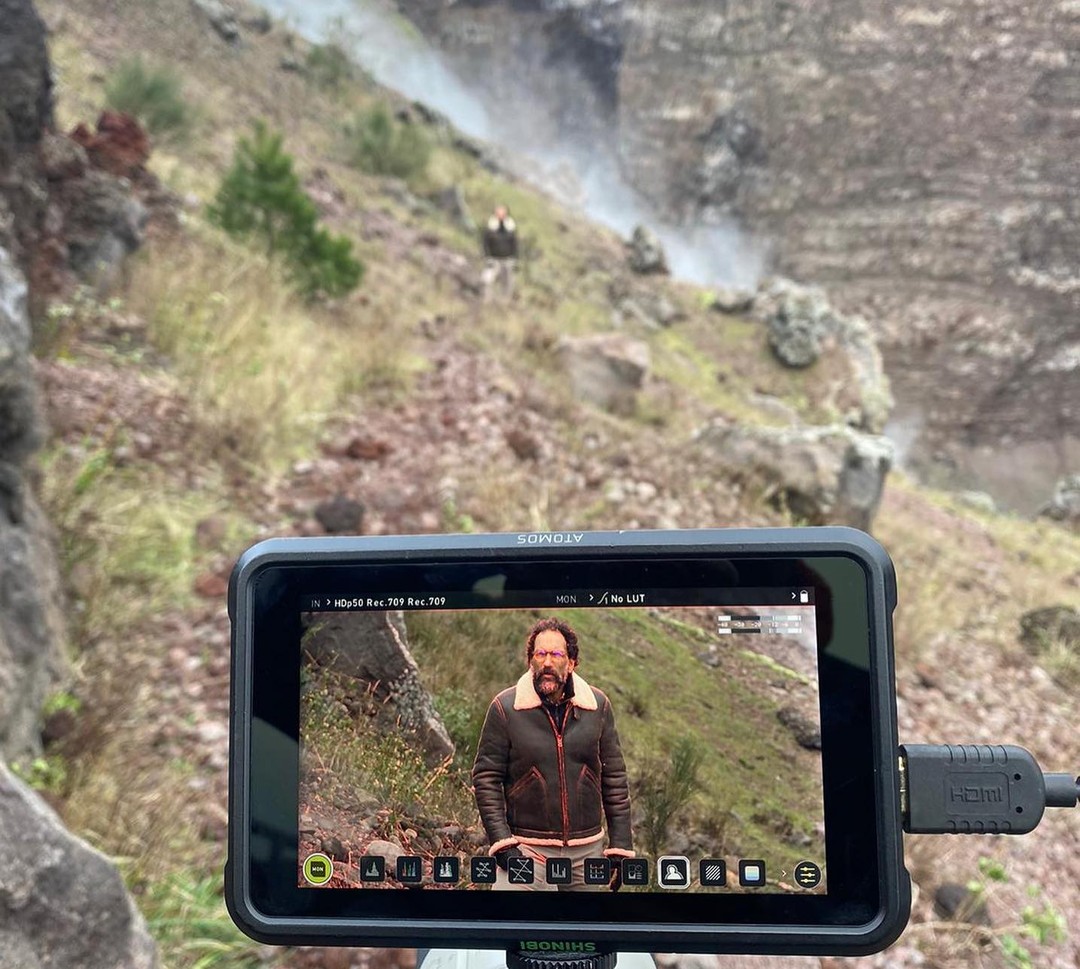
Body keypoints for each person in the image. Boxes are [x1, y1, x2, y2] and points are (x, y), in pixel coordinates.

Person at [472, 617, 634, 891]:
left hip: (587, 852)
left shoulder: (598, 706)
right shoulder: (505, 708)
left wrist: (620, 846)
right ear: (530, 661)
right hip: (527, 849)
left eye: (556, 654)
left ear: (572, 663)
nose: (547, 662)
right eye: (540, 654)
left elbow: (614, 778)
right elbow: (486, 777)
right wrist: (502, 843)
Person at [480, 204, 518, 302]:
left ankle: (504, 301)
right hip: (493, 259)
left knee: (508, 283)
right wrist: (487, 257)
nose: (500, 215)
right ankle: (486, 299)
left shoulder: (510, 227)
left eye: (502, 212)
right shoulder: (490, 227)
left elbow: (514, 244)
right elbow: (485, 244)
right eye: (498, 212)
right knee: (486, 280)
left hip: (507, 259)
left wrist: (514, 258)